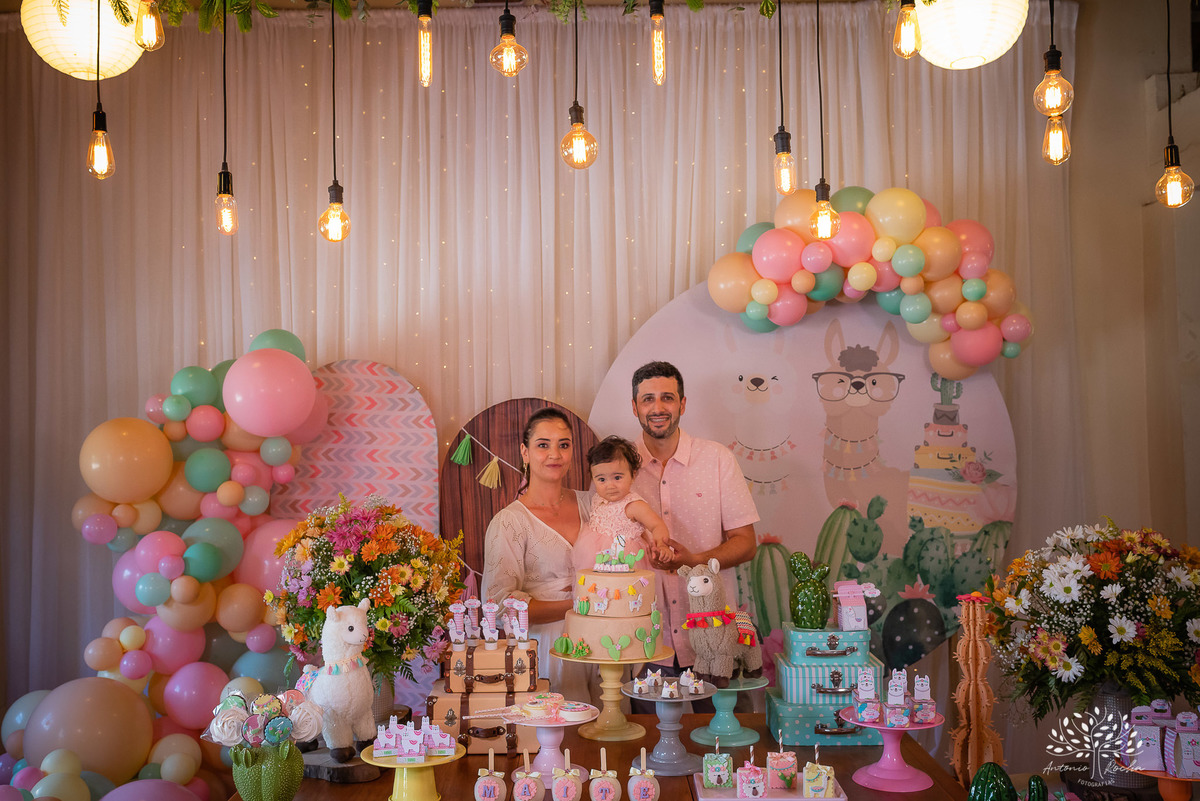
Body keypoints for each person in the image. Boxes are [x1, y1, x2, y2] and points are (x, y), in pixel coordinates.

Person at [629, 361, 759, 707]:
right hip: (646, 641)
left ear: (682, 404)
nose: (657, 408)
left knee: (724, 745)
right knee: (648, 750)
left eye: (667, 398)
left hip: (713, 637)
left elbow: (746, 544)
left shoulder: (717, 459)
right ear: (634, 407)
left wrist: (695, 563)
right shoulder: (618, 468)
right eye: (648, 400)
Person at [480, 407, 596, 703]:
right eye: (543, 445)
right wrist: (577, 606)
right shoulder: (509, 522)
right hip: (546, 648)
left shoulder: (593, 504)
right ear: (525, 452)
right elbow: (498, 605)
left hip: (600, 640)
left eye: (564, 445)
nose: (554, 454)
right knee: (560, 735)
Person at [586, 435, 671, 563]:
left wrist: (662, 545)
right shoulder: (597, 499)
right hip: (597, 556)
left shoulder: (634, 505)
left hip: (626, 559)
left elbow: (656, 525)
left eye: (617, 477)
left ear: (633, 475)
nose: (610, 485)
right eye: (602, 479)